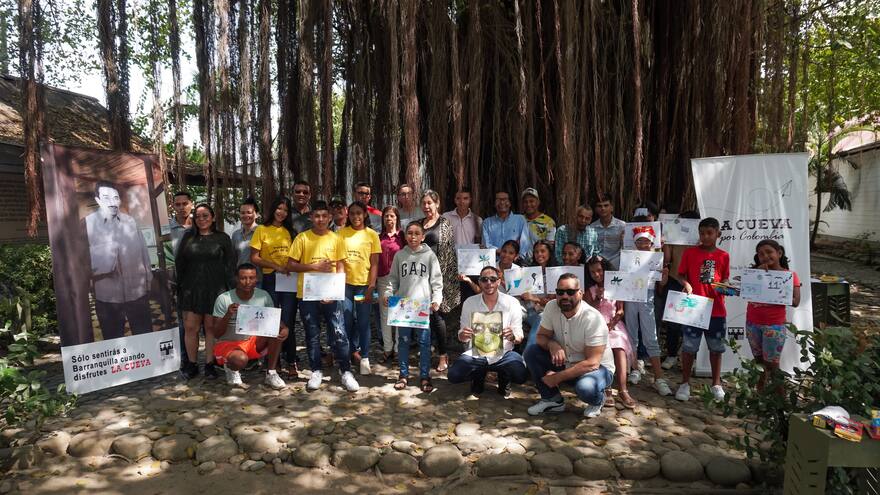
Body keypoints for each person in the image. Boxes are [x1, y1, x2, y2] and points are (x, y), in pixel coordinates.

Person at [287, 200, 360, 392]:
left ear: (329, 218)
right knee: (312, 334)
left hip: (331, 294)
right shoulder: (302, 238)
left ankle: (345, 371)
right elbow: (290, 265)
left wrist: (336, 291)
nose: (320, 219)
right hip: (308, 295)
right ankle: (316, 370)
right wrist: (314, 267)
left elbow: (341, 265)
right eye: (316, 216)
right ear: (311, 217)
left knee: (339, 333)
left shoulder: (336, 238)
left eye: (324, 216)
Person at [523, 273, 615, 418]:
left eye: (570, 292)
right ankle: (552, 399)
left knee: (585, 388)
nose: (565, 296)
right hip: (567, 361)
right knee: (531, 352)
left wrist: (558, 377)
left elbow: (592, 363)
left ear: (580, 293)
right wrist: (552, 344)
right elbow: (541, 336)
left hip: (597, 368)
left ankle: (598, 400)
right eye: (560, 292)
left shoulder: (593, 318)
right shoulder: (551, 307)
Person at [84, 181, 154, 340]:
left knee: (145, 337)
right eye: (106, 197)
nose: (112, 202)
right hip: (108, 298)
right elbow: (81, 262)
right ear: (98, 200)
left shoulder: (130, 221)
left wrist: (148, 280)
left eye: (115, 198)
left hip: (137, 294)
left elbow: (143, 252)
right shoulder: (88, 224)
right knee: (114, 339)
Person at [672, 217, 730, 402]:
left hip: (716, 310)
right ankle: (685, 383)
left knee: (716, 348)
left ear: (718, 234)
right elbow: (680, 275)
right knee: (689, 348)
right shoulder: (690, 253)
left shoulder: (723, 256)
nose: (705, 237)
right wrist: (687, 284)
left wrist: (723, 287)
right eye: (702, 233)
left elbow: (726, 279)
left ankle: (716, 384)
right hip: (693, 308)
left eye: (709, 233)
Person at [176, 204, 236, 379]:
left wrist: (229, 291)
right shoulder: (188, 238)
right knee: (190, 328)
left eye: (206, 215)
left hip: (215, 289)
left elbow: (230, 265)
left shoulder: (222, 238)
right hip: (191, 290)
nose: (202, 219)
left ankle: (210, 363)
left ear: (213, 217)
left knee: (210, 328)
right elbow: (180, 263)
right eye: (198, 216)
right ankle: (192, 364)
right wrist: (181, 287)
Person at [448, 266, 528, 397]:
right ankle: (478, 375)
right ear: (479, 282)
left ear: (498, 281)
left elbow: (519, 335)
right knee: (454, 375)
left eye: (492, 279)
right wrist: (463, 335)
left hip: (504, 353)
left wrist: (513, 337)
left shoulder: (512, 303)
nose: (488, 283)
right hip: (477, 353)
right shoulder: (470, 302)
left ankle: (504, 376)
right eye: (484, 280)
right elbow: (462, 335)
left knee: (521, 375)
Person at [384, 221, 443, 393]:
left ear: (423, 236)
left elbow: (437, 281)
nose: (413, 236)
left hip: (422, 308)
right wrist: (388, 295)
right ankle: (403, 375)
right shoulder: (400, 256)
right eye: (410, 233)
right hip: (403, 307)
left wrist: (436, 299)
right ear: (405, 235)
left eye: (417, 233)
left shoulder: (430, 256)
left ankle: (425, 376)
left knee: (424, 343)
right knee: (403, 342)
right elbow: (392, 279)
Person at [210, 263, 288, 389]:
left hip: (252, 342)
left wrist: (284, 328)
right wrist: (228, 314)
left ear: (257, 279)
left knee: (276, 331)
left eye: (251, 278)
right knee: (240, 359)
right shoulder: (224, 299)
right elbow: (217, 333)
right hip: (229, 343)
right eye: (243, 278)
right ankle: (230, 368)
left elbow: (273, 319)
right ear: (236, 279)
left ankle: (271, 373)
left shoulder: (263, 296)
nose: (247, 282)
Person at [250, 197, 300, 377]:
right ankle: (273, 361)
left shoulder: (290, 232)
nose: (282, 212)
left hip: (289, 280)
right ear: (272, 209)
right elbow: (254, 257)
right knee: (271, 322)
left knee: (288, 321)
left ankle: (291, 361)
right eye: (279, 208)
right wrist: (275, 265)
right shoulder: (261, 230)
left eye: (285, 210)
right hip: (270, 279)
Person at [622, 226, 672, 397]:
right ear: (635, 242)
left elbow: (660, 285)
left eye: (646, 241)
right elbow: (622, 280)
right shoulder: (628, 257)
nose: (643, 244)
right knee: (631, 335)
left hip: (647, 298)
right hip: (630, 298)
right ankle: (635, 368)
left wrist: (664, 278)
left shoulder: (656, 259)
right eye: (640, 241)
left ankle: (659, 378)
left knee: (651, 336)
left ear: (652, 242)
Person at [746, 239, 801, 391]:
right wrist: (759, 274)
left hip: (774, 326)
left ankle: (780, 402)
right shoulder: (754, 273)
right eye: (761, 254)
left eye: (769, 252)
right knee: (758, 363)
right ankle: (760, 396)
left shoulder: (789, 275)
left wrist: (780, 293)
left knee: (772, 364)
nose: (765, 256)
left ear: (779, 253)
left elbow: (796, 301)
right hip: (752, 323)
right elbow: (747, 292)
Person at [585, 256, 636, 408]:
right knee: (602, 347)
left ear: (605, 270)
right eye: (593, 272)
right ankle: (606, 388)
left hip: (614, 323)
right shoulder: (590, 290)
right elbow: (588, 309)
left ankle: (622, 389)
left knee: (619, 346)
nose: (597, 275)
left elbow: (620, 310)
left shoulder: (616, 285)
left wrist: (612, 324)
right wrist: (597, 298)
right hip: (596, 323)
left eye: (599, 271)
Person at [339, 201, 382, 375]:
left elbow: (374, 264)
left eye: (359, 213)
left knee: (364, 322)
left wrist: (371, 286)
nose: (356, 217)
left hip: (364, 286)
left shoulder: (372, 235)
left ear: (365, 214)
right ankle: (348, 355)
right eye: (352, 213)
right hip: (346, 286)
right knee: (347, 321)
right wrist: (338, 284)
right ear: (348, 215)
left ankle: (364, 357)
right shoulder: (341, 233)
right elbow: (339, 261)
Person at [419, 190, 460, 372]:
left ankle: (443, 355)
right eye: (424, 203)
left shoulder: (445, 224)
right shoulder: (419, 224)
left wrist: (441, 280)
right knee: (422, 317)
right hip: (420, 278)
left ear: (437, 204)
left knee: (437, 317)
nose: (427, 206)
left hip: (438, 277)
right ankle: (426, 352)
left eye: (430, 203)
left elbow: (449, 254)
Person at [659, 210, 701, 370]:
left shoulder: (702, 239)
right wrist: (665, 243)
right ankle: (671, 355)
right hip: (675, 279)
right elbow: (668, 259)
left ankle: (693, 357)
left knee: (695, 320)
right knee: (673, 321)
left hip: (696, 283)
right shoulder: (673, 235)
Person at [377, 206, 405, 364]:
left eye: (392, 216)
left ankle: (398, 350)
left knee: (399, 314)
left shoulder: (402, 237)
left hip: (401, 280)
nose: (389, 219)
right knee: (386, 314)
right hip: (384, 280)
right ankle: (387, 348)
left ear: (396, 218)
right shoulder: (378, 237)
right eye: (386, 216)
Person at [522, 240, 555, 348]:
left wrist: (534, 298)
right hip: (529, 311)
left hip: (546, 312)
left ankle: (527, 353)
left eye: (542, 251)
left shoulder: (555, 273)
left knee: (541, 318)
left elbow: (552, 301)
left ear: (549, 253)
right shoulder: (528, 271)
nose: (539, 254)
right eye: (536, 252)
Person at [482, 191, 531, 260]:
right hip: (493, 263)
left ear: (510, 203)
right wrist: (504, 253)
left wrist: (519, 257)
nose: (502, 202)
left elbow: (525, 242)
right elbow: (486, 245)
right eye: (498, 200)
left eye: (505, 199)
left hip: (515, 262)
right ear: (494, 203)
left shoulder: (520, 220)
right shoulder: (487, 223)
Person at [590, 198, 626, 269]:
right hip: (598, 261)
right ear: (596, 209)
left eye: (606, 205)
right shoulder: (592, 227)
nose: (603, 208)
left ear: (611, 208)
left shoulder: (622, 226)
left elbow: (626, 247)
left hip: (617, 260)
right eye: (599, 206)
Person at [521, 188, 556, 257]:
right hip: (519, 262)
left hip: (539, 261)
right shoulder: (519, 220)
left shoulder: (548, 222)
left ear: (538, 202)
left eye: (531, 201)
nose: (528, 204)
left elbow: (550, 246)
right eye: (525, 202)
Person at [231, 197, 260, 274]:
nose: (245, 215)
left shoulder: (262, 232)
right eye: (242, 213)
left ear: (257, 215)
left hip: (259, 280)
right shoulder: (236, 235)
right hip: (241, 279)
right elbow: (233, 259)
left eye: (249, 212)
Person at [169, 190, 193, 255]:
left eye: (185, 204)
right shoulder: (168, 228)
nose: (182, 207)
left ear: (191, 204)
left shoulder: (200, 226)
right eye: (178, 204)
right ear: (173, 206)